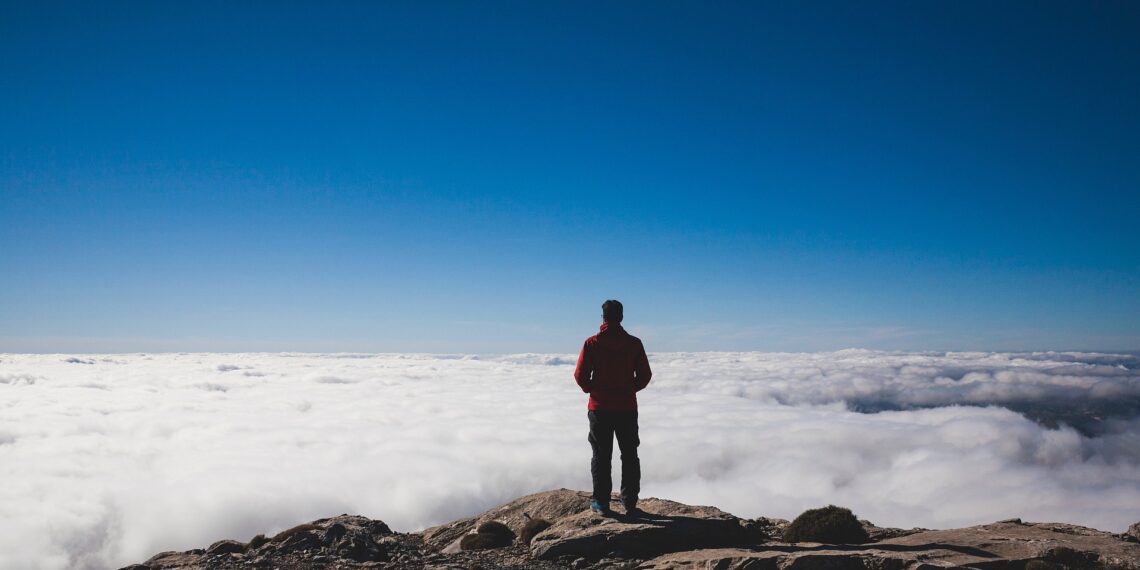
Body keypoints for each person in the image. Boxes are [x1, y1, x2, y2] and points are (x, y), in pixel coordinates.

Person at [574, 299, 652, 515]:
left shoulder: (592, 343)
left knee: (601, 455)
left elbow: (580, 375)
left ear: (603, 317)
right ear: (622, 317)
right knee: (629, 454)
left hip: (599, 409)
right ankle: (629, 501)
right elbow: (645, 376)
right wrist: (628, 390)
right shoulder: (634, 343)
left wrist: (593, 390)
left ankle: (601, 502)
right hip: (627, 408)